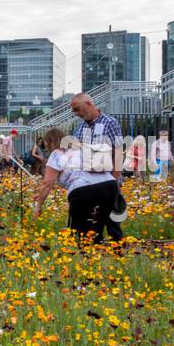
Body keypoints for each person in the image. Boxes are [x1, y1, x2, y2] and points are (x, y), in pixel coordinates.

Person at [32, 127, 119, 242]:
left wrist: (38, 206)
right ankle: (99, 254)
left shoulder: (56, 154)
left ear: (49, 142)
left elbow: (47, 183)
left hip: (83, 190)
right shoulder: (82, 147)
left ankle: (85, 255)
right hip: (110, 186)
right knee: (96, 230)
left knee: (80, 234)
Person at [70, 93, 125, 240]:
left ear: (89, 104)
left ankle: (119, 255)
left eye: (77, 109)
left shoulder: (110, 122)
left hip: (109, 182)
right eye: (74, 111)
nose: (76, 114)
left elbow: (118, 152)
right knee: (92, 224)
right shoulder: (80, 128)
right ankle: (94, 255)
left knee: (113, 222)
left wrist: (114, 179)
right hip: (89, 186)